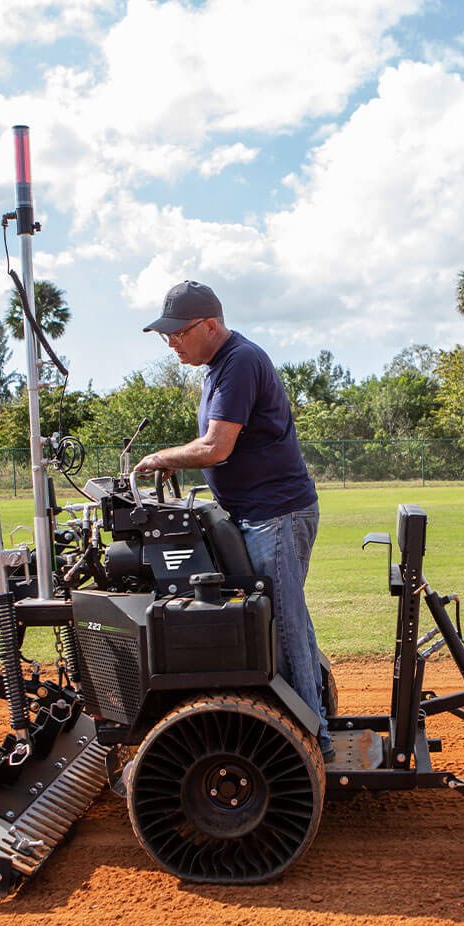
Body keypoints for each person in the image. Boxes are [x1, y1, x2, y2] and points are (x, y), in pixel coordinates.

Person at [133, 280, 333, 761]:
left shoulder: (239, 362)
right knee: (287, 620)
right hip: (262, 514)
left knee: (279, 626)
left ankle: (312, 742)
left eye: (178, 334)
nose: (171, 343)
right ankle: (312, 720)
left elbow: (216, 447)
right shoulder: (218, 367)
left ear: (210, 325)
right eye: (167, 336)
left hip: (275, 515)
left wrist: (158, 459)